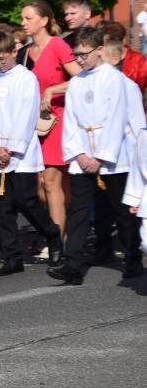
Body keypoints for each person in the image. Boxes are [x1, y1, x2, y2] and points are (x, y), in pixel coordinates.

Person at [48, 27, 143, 285]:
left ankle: (133, 257)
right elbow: (72, 121)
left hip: (113, 158)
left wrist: (100, 156)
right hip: (83, 156)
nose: (78, 60)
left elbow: (116, 119)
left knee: (121, 210)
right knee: (79, 210)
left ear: (99, 50)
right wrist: (79, 154)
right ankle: (73, 265)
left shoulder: (115, 79)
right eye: (75, 55)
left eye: (83, 54)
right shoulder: (77, 82)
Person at [0, 30, 62, 276]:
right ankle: (12, 257)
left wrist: (11, 149)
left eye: (2, 58)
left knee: (27, 201)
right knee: (3, 208)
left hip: (20, 154)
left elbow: (27, 114)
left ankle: (53, 235)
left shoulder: (26, 78)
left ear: (14, 52)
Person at [22, 0, 82, 250]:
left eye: (28, 18)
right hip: (35, 124)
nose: (23, 22)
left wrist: (54, 89)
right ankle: (64, 226)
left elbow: (82, 77)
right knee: (37, 188)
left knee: (50, 181)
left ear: (44, 20)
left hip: (58, 119)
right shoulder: (25, 52)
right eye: (22, 18)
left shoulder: (58, 45)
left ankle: (58, 241)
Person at [91, 35, 146, 266]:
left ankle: (132, 255)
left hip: (121, 158)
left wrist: (137, 154)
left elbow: (137, 125)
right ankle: (102, 248)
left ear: (115, 58)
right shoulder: (94, 84)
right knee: (101, 208)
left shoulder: (127, 86)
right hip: (95, 156)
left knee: (122, 210)